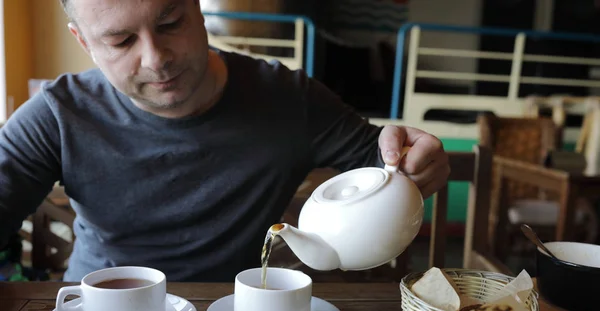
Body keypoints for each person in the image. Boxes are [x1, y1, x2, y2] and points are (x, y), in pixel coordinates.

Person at [0, 0, 450, 282]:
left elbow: (385, 162)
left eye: (171, 22)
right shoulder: (58, 114)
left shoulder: (288, 98)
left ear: (198, 9)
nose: (156, 60)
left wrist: (415, 161)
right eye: (120, 41)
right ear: (84, 42)